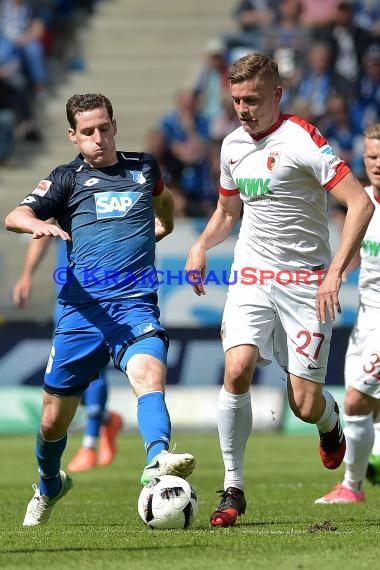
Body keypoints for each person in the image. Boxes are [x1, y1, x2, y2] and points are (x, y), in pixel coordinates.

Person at [184, 52, 374, 527]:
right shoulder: (230, 146)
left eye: (252, 99)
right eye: (236, 100)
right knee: (237, 368)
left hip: (306, 281)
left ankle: (330, 425)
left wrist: (334, 272)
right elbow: (229, 213)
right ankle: (233, 489)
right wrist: (201, 246)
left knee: (304, 405)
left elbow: (358, 204)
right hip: (252, 273)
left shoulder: (304, 140)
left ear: (276, 94)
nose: (243, 109)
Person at [4, 92, 195, 526]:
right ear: (73, 136)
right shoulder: (66, 178)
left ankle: (157, 459)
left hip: (133, 304)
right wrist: (36, 221)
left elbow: (162, 200)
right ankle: (50, 484)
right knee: (53, 422)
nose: (98, 138)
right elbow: (16, 215)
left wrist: (162, 223)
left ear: (114, 125)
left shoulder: (144, 167)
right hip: (81, 313)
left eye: (104, 128)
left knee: (149, 374)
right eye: (87, 132)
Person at [12, 233, 124, 473]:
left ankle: (89, 445)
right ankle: (106, 419)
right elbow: (43, 231)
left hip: (106, 290)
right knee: (68, 376)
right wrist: (27, 275)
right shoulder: (63, 195)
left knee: (96, 367)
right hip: (68, 296)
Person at [315, 123, 380, 503]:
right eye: (371, 156)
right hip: (366, 319)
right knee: (368, 404)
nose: (377, 163)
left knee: (354, 401)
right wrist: (328, 278)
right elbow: (352, 256)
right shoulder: (361, 204)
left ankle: (351, 486)